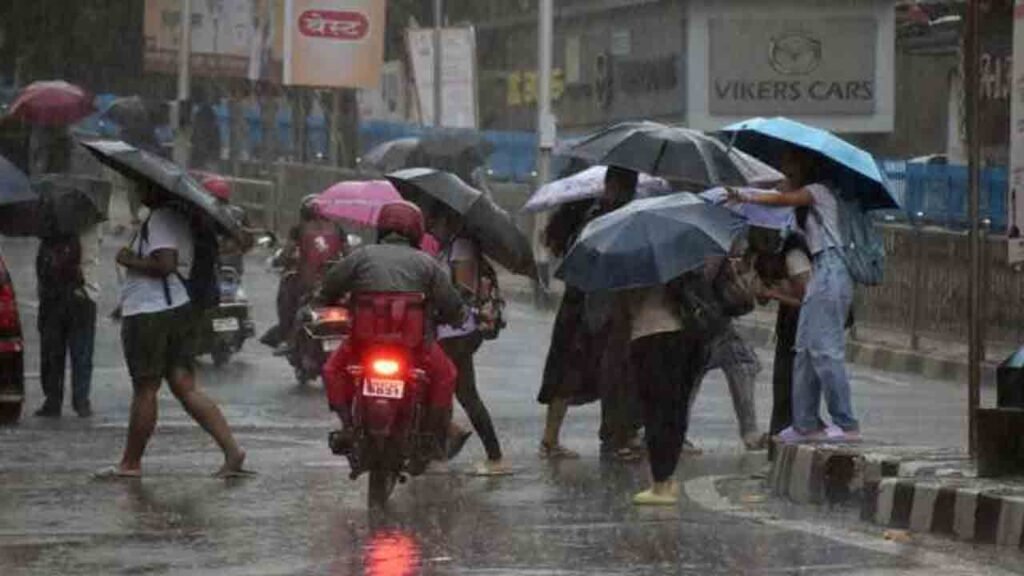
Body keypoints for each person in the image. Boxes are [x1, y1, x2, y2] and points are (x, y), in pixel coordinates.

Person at [101, 183, 247, 478]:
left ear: (154, 189)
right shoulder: (178, 217)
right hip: (176, 307)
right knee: (184, 385)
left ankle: (130, 464)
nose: (134, 191)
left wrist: (128, 259)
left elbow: (164, 264)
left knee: (145, 388)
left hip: (152, 313)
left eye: (138, 187)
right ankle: (232, 451)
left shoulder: (160, 219)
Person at [728, 146, 860, 442]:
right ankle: (804, 423)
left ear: (806, 168)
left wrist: (745, 195)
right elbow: (779, 201)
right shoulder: (802, 210)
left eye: (791, 166)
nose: (785, 172)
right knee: (803, 350)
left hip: (832, 268)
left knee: (825, 351)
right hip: (822, 269)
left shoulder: (820, 192)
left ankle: (847, 423)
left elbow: (782, 200)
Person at [320, 201, 467, 463]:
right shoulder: (427, 263)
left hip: (363, 345)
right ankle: (432, 437)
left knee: (332, 369)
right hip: (414, 348)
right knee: (446, 375)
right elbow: (452, 304)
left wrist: (328, 299)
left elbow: (330, 285)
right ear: (415, 231)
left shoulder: (361, 256)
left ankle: (347, 425)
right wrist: (458, 317)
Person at [537, 166, 642, 460]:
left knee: (574, 372)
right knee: (599, 372)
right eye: (625, 188)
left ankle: (556, 439)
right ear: (614, 186)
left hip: (583, 305)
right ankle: (609, 437)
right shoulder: (600, 220)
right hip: (592, 306)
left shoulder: (591, 215)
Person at [426, 203, 510, 476]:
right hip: (450, 331)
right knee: (446, 389)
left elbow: (462, 289)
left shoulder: (460, 246)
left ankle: (492, 456)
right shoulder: (450, 245)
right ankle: (442, 445)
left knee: (462, 392)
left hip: (457, 333)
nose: (430, 227)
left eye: (433, 221)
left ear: (446, 221)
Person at [626, 277, 705, 505]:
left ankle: (660, 483)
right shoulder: (679, 260)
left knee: (655, 411)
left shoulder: (634, 263)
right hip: (683, 334)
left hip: (648, 336)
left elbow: (630, 305)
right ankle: (668, 476)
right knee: (676, 407)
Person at [33, 194, 100, 419]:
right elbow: (91, 260)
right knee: (82, 353)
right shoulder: (91, 227)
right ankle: (81, 402)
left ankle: (53, 401)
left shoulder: (47, 228)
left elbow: (42, 267)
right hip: (83, 296)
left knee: (52, 353)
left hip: (52, 298)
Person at [263, 196, 346, 351]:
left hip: (306, 282)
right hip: (335, 282)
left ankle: (287, 338)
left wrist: (279, 261)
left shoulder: (299, 228)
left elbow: (286, 254)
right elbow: (348, 254)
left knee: (286, 301)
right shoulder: (338, 228)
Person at [754, 233, 813, 436]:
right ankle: (780, 437)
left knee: (793, 389)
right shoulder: (763, 257)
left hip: (804, 330)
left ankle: (794, 432)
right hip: (787, 330)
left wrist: (775, 294)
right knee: (782, 389)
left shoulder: (794, 256)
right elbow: (761, 295)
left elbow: (808, 301)